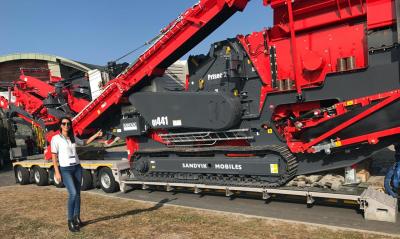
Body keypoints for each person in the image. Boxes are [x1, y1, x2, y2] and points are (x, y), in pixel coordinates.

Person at [51, 117, 102, 232]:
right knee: (73, 194)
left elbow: (84, 142)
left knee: (78, 194)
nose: (66, 125)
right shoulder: (55, 139)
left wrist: (96, 135)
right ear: (60, 125)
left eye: (68, 123)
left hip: (77, 167)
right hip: (65, 169)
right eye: (64, 123)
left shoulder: (73, 137)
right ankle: (70, 221)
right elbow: (54, 156)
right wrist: (57, 171)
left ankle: (77, 218)